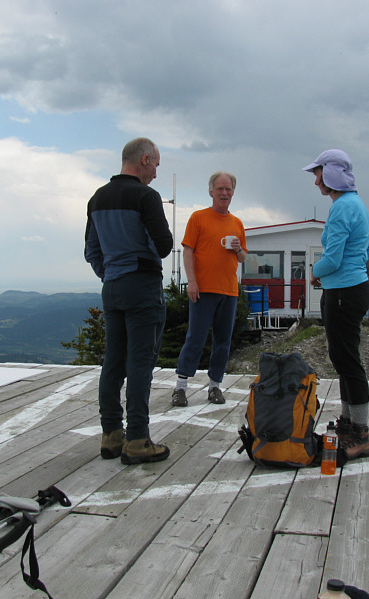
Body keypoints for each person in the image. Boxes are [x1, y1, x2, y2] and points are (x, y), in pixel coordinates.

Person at [84, 137, 173, 465]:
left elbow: (91, 251)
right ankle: (138, 438)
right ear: (145, 159)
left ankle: (111, 435)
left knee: (113, 360)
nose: (156, 175)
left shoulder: (98, 199)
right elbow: (164, 245)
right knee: (140, 364)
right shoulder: (146, 197)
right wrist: (140, 260)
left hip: (113, 287)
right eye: (156, 166)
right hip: (143, 287)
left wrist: (111, 273)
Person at [303, 149, 369, 461]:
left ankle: (359, 434)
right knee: (345, 358)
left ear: (331, 173)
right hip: (353, 288)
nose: (316, 180)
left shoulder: (340, 207)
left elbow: (331, 259)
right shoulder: (355, 204)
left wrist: (314, 273)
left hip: (343, 293)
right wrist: (353, 267)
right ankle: (350, 424)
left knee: (347, 361)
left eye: (318, 173)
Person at [171, 172, 247, 407]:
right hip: (203, 290)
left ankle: (215, 386)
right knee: (196, 337)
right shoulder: (199, 218)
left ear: (233, 192)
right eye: (220, 189)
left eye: (228, 189)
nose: (224, 193)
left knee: (223, 340)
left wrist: (237, 249)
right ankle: (181, 387)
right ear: (211, 191)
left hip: (229, 291)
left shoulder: (237, 223)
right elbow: (188, 250)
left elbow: (243, 257)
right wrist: (191, 281)